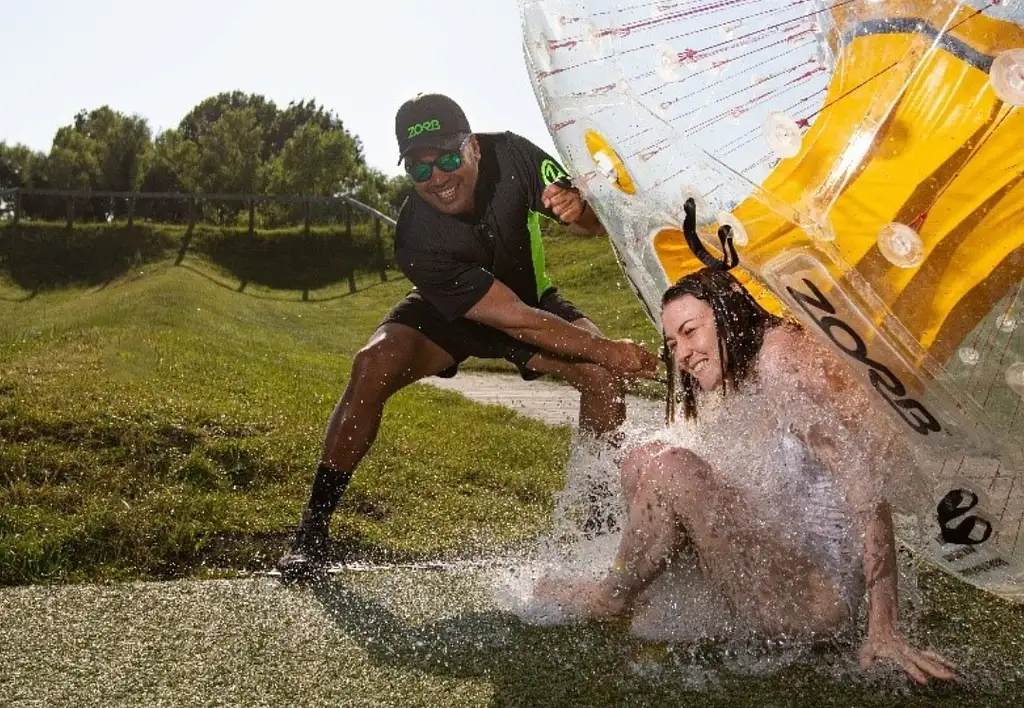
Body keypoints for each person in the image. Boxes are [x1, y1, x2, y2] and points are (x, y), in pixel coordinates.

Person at [277, 93, 660, 578]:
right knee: (372, 363)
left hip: (528, 300)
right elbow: (510, 319)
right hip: (458, 315)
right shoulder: (415, 236)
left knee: (602, 377)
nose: (437, 178)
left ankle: (595, 530)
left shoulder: (517, 156)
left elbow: (592, 226)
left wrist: (579, 208)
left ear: (473, 147)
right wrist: (609, 347)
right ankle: (312, 530)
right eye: (419, 169)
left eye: (449, 158)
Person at [535, 268, 958, 685]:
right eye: (671, 342)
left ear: (727, 314)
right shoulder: (745, 365)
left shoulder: (783, 363)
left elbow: (867, 488)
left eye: (690, 332)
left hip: (817, 600)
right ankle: (649, 597)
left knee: (672, 468)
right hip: (775, 566)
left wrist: (884, 627)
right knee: (644, 458)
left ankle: (613, 598)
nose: (681, 354)